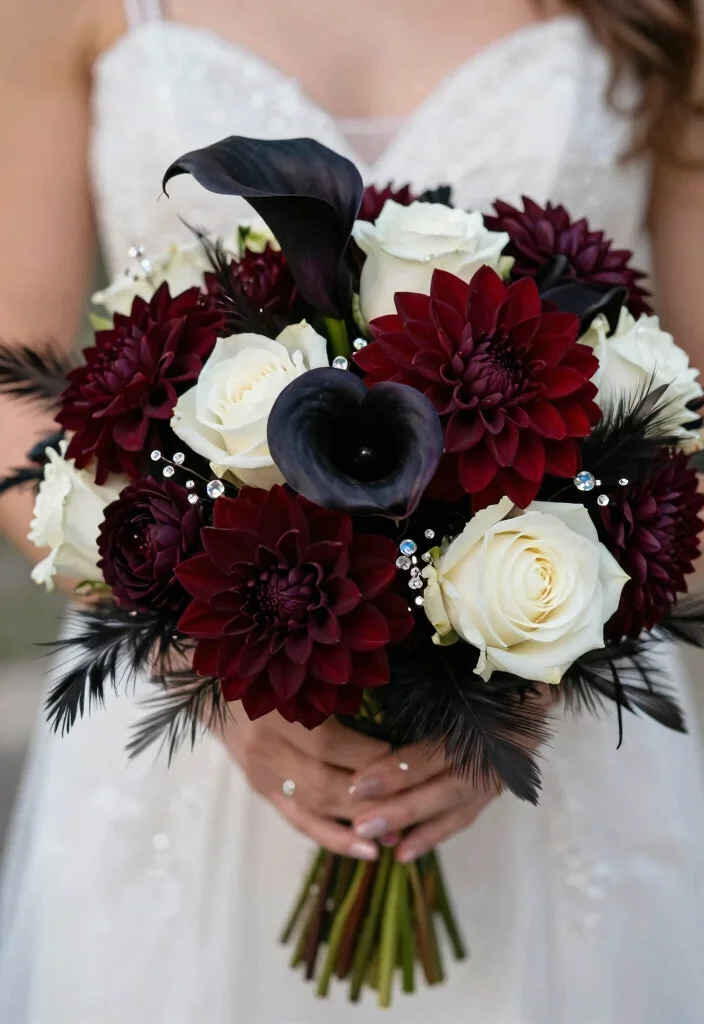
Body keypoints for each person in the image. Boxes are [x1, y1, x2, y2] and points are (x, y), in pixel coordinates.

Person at [1, 0, 704, 1020]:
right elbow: (11, 379)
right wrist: (215, 648)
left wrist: (531, 647)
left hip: (562, 724)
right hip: (186, 725)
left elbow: (689, 400)